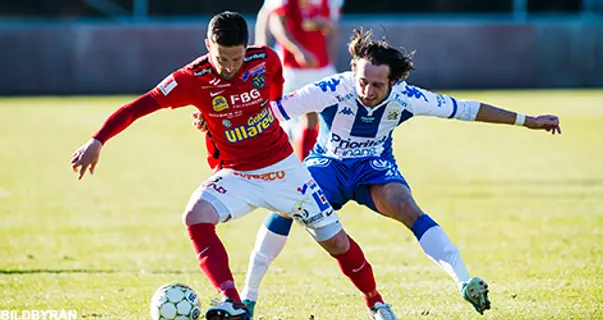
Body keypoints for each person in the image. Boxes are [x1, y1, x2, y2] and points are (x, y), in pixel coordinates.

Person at [195, 27, 562, 317]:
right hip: (328, 164)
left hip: (374, 168)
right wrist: (211, 117)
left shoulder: (407, 97)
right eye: (363, 81)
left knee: (406, 206)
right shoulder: (332, 88)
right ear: (353, 72)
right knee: (285, 207)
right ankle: (250, 299)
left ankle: (465, 281)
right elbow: (273, 111)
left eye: (377, 85)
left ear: (393, 82)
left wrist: (527, 121)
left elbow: (467, 108)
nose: (368, 91)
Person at [70, 13, 399, 320]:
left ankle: (376, 302)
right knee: (195, 216)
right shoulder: (191, 79)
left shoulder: (265, 59)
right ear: (207, 46)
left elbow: (276, 88)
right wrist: (98, 140)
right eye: (222, 58)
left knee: (337, 243)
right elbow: (139, 106)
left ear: (247, 49)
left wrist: (258, 111)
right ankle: (233, 301)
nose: (229, 66)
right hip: (238, 174)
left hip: (285, 170)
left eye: (236, 58)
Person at [255, 0, 343, 160]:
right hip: (291, 70)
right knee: (286, 120)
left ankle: (311, 164)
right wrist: (297, 50)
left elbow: (334, 28)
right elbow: (274, 20)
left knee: (326, 119)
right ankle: (284, 164)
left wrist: (330, 60)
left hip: (321, 68)